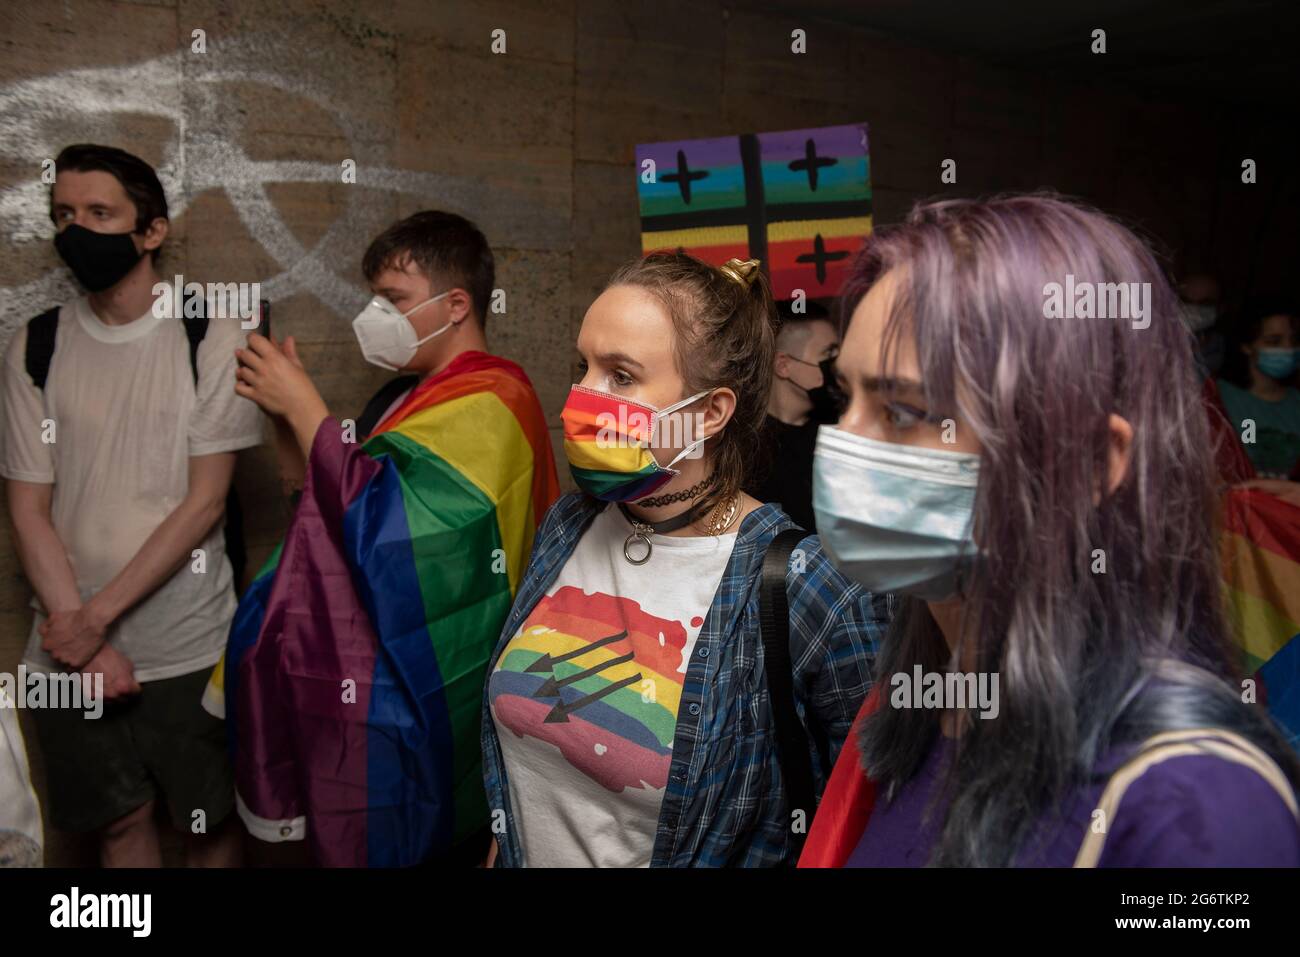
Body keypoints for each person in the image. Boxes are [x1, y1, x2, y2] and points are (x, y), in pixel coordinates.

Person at [804, 194, 1300, 867]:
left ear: (1090, 462)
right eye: (845, 397)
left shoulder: (1198, 805)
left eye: (903, 410)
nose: (841, 444)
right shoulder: (919, 704)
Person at [481, 252, 891, 868]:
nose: (581, 398)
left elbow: (867, 819)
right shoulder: (568, 526)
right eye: (582, 367)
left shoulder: (808, 590)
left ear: (707, 414)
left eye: (621, 376)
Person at [219, 210, 560, 867]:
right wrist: (290, 425)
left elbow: (407, 535)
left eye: (394, 299)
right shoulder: (403, 397)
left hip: (428, 675)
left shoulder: (498, 393)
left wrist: (305, 406)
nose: (376, 314)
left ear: (455, 304)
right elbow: (320, 513)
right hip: (360, 681)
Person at [1, 144, 260, 867]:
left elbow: (205, 501)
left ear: (151, 232)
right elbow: (27, 507)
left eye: (99, 213)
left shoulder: (207, 335)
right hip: (63, 646)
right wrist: (78, 639)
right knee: (118, 823)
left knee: (210, 823)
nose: (76, 229)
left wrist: (95, 621)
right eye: (64, 214)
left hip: (189, 641)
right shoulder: (37, 344)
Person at [748, 301, 843, 532]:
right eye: (828, 354)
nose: (838, 365)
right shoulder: (746, 450)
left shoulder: (842, 429)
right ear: (783, 366)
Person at [1216, 303, 1300, 483]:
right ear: (1247, 346)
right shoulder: (1217, 397)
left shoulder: (1296, 403)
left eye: (1294, 341)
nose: (1288, 349)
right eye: (1273, 341)